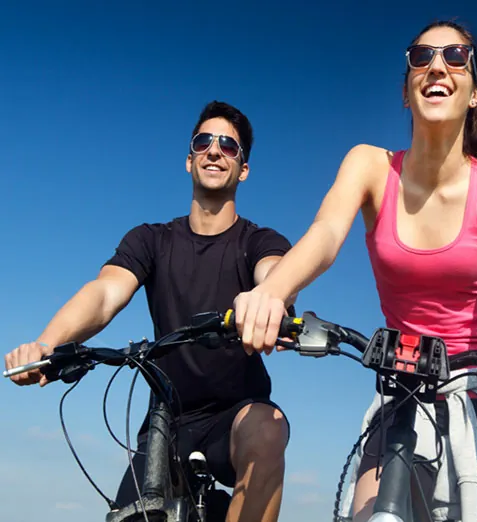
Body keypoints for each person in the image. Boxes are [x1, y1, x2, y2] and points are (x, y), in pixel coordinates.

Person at [231, 20, 477, 522]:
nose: (437, 65)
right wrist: (273, 293)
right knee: (369, 512)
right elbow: (326, 234)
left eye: (456, 56)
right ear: (407, 94)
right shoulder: (369, 166)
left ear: (475, 93)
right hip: (403, 380)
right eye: (421, 56)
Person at [4, 101, 295, 522]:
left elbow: (276, 277)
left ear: (243, 168)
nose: (215, 151)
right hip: (166, 419)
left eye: (228, 145)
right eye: (203, 142)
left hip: (237, 417)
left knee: (269, 427)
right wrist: (47, 345)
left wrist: (272, 298)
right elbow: (105, 294)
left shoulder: (259, 241)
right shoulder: (151, 240)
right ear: (189, 160)